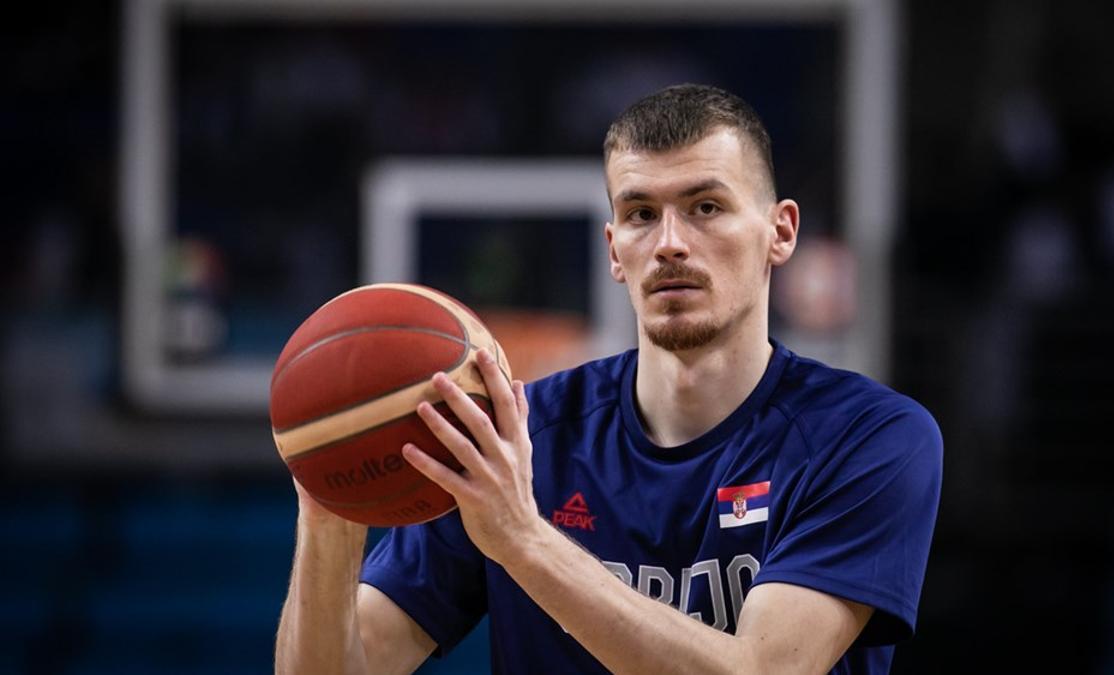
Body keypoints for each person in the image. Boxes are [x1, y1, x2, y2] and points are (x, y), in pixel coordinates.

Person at [275, 84, 942, 674]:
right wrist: (329, 513)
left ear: (780, 231)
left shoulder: (869, 437)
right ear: (614, 249)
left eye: (706, 207)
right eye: (641, 214)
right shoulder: (514, 435)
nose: (671, 242)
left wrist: (525, 540)